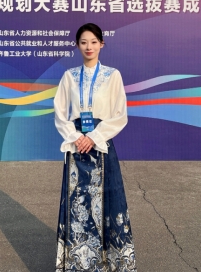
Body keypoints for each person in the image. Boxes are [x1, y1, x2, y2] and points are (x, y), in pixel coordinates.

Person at [54, 23, 137, 272]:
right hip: (76, 148)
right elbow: (60, 113)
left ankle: (113, 263)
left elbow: (119, 114)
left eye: (93, 42)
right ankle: (78, 263)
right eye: (83, 42)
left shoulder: (113, 76)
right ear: (77, 45)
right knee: (77, 205)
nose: (88, 47)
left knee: (109, 203)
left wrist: (94, 136)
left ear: (102, 44)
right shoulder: (69, 76)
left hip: (101, 146)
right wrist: (76, 136)